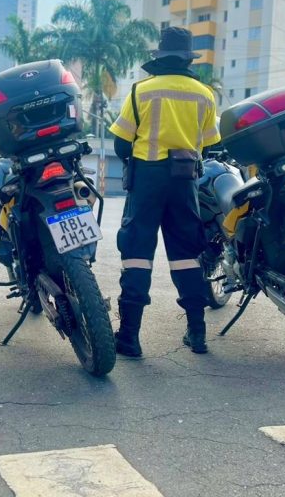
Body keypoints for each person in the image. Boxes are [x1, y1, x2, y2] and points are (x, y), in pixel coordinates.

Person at [108, 26, 221, 357]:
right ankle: (197, 333)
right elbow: (211, 146)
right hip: (185, 181)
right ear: (187, 59)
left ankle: (129, 337)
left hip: (146, 179)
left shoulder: (142, 90)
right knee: (187, 255)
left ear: (160, 55)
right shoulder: (203, 94)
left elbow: (120, 143)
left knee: (137, 253)